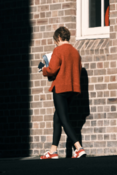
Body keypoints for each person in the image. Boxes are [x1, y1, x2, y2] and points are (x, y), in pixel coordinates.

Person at [39, 26, 86, 159]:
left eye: (56, 41)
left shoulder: (58, 50)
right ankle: (53, 150)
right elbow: (79, 69)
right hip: (72, 89)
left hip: (60, 88)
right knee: (57, 117)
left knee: (64, 118)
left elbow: (52, 70)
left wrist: (43, 69)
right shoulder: (75, 52)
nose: (55, 43)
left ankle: (78, 148)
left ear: (59, 37)